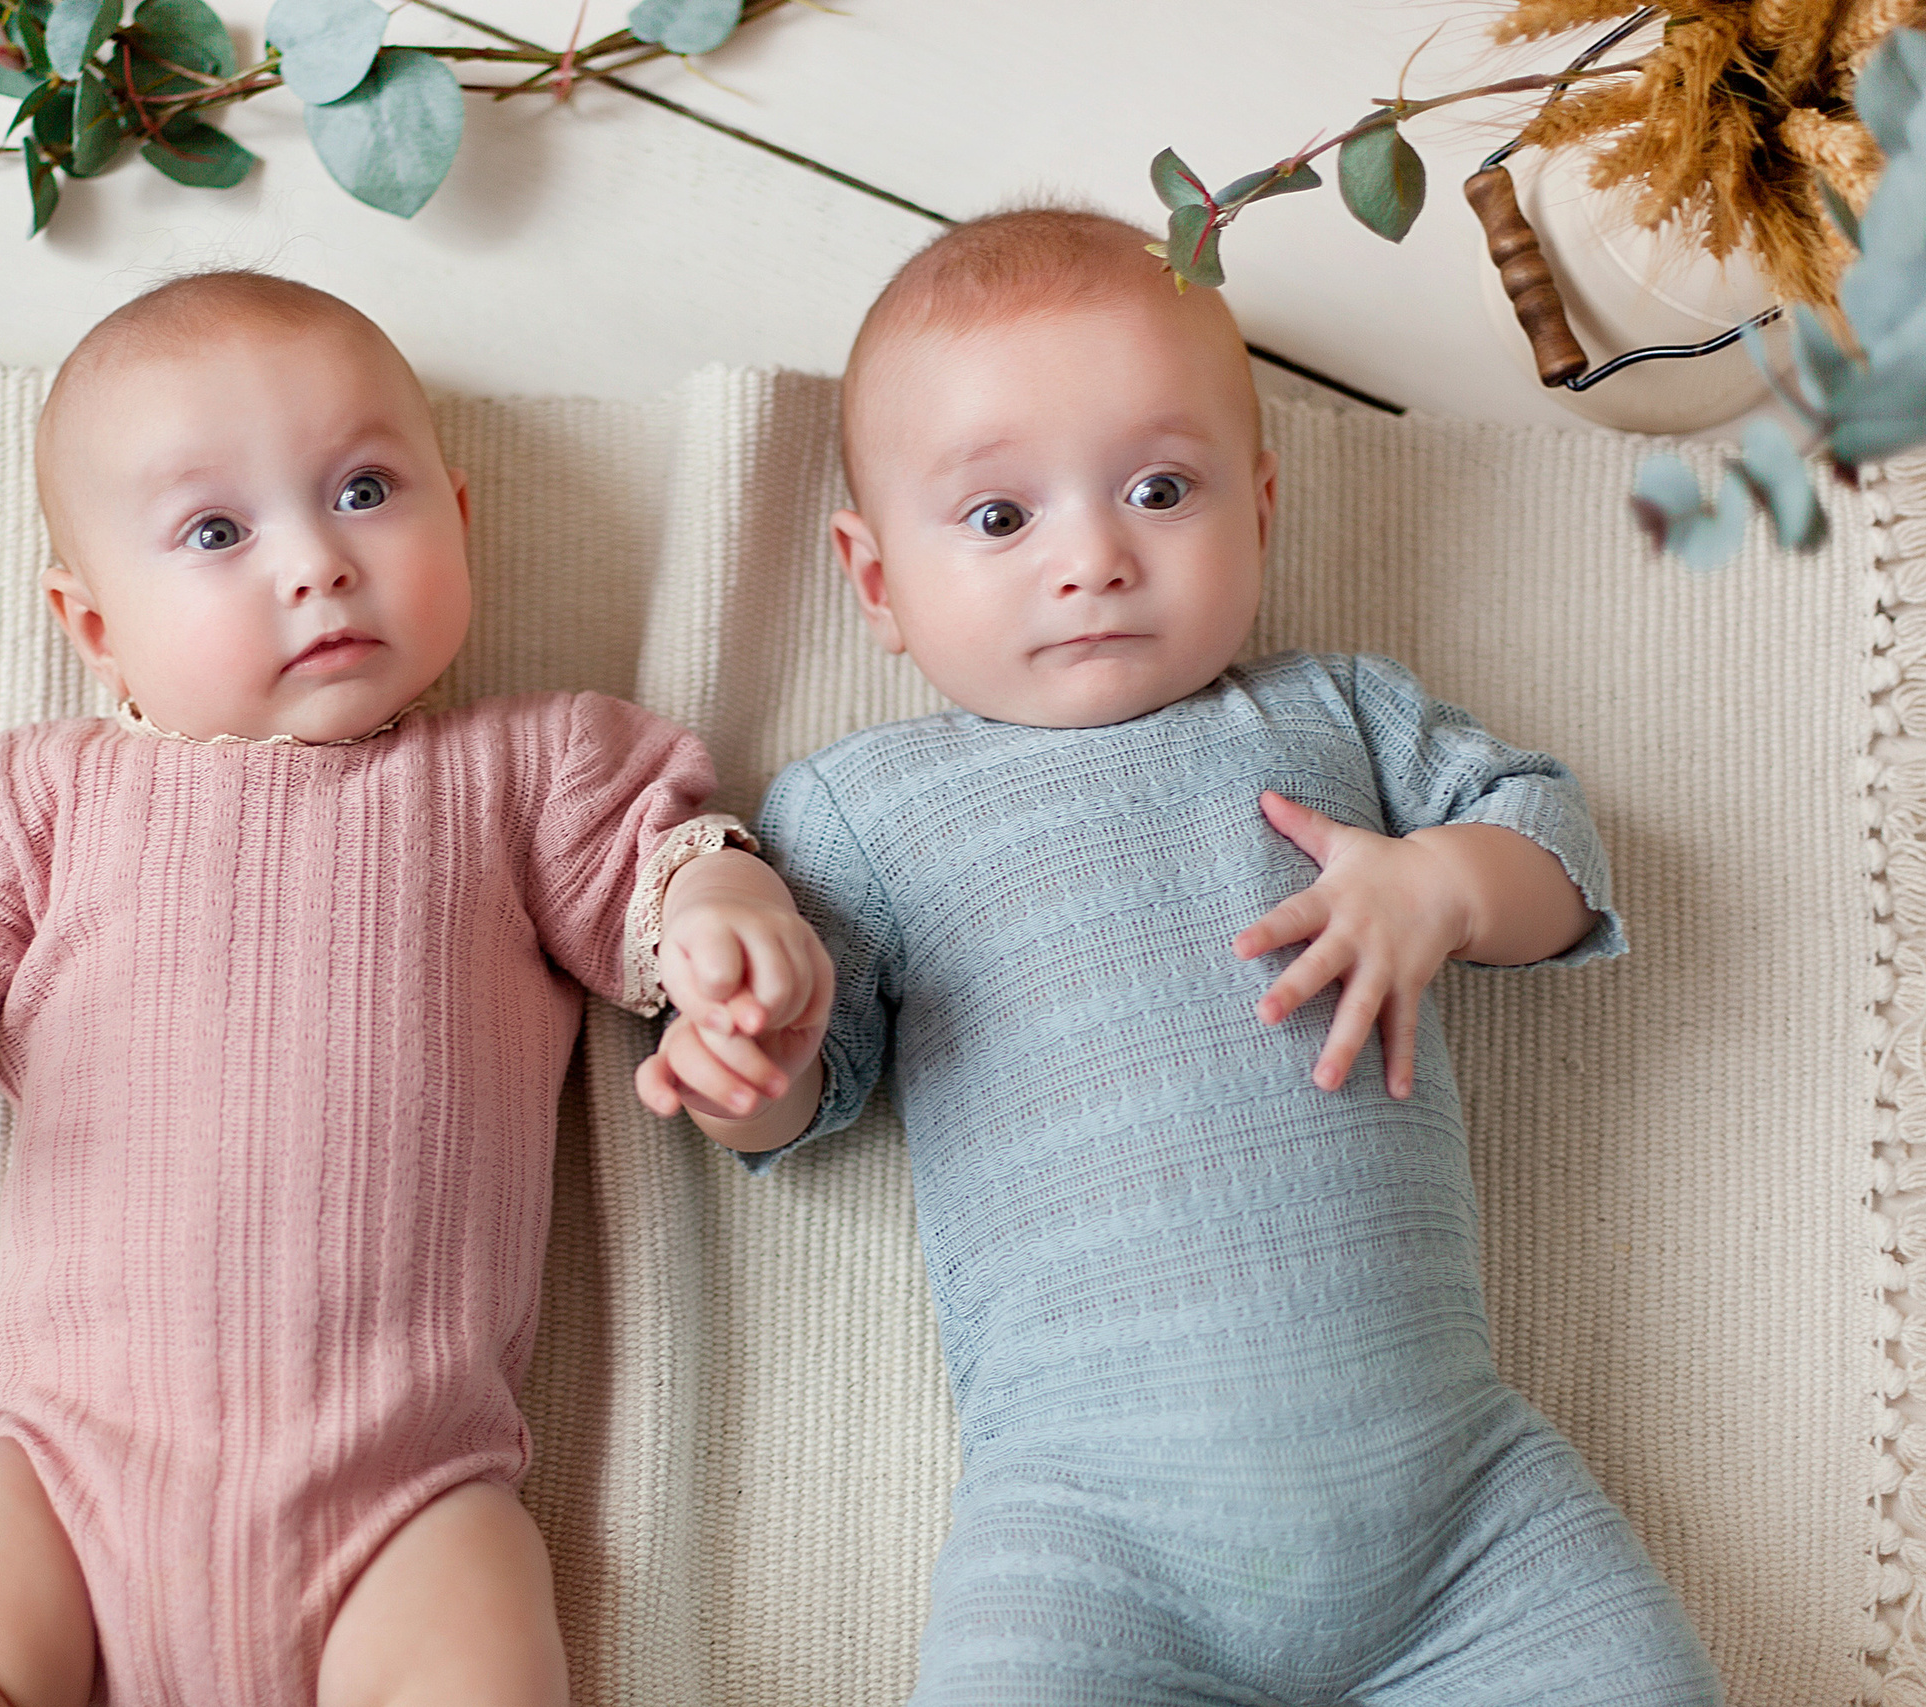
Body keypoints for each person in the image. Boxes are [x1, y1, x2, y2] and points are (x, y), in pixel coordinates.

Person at [0, 271, 831, 1707]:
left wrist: (727, 925)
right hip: (61, 1485)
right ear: (91, 626)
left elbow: (659, 863)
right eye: (216, 530)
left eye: (363, 491)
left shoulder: (525, 771)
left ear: (459, 521)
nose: (316, 562)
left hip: (406, 1500)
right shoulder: (44, 795)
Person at [638, 209, 1722, 1705]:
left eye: (1161, 488)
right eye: (1001, 518)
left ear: (1261, 511)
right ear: (874, 581)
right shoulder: (864, 811)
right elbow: (816, 1098)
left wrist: (1449, 890)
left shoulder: (1334, 716)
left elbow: (1552, 840)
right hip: (1093, 1541)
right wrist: (749, 1057)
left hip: (1462, 1516)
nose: (1093, 557)